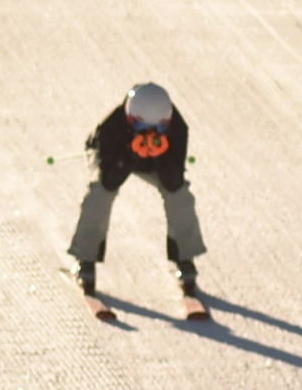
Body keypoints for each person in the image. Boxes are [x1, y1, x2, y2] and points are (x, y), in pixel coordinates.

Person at [68, 83, 204, 297]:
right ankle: (86, 259)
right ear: (130, 119)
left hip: (154, 163)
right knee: (99, 194)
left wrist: (160, 156)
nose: (149, 134)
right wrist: (130, 154)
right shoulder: (112, 129)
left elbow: (173, 181)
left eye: (159, 129)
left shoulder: (178, 130)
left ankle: (184, 258)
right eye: (141, 127)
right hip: (116, 159)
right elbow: (109, 180)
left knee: (180, 196)